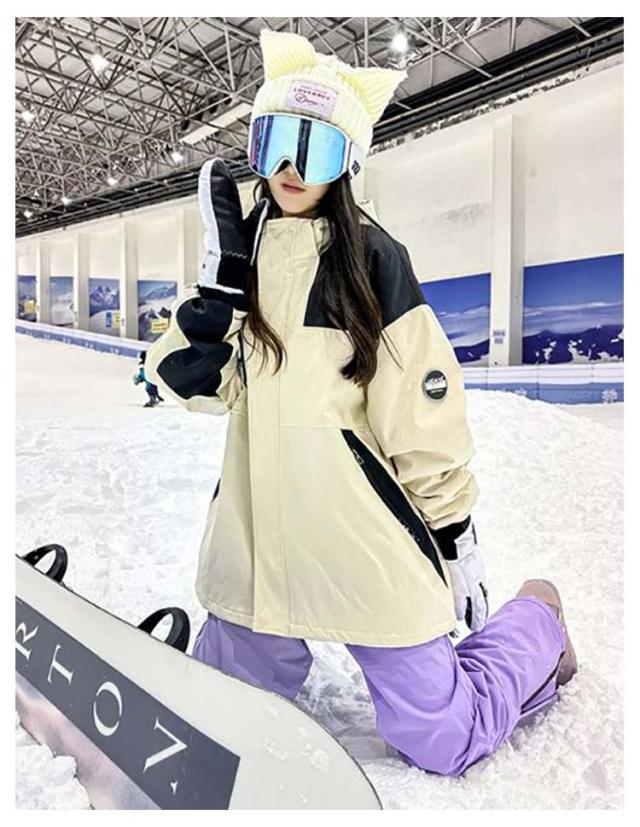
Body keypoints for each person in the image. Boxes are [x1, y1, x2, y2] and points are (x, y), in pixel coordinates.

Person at [145, 29, 577, 777]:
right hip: (260, 548)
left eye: (312, 150)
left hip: (364, 547)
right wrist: (213, 305)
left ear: (347, 162)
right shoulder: (239, 260)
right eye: (274, 142)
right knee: (220, 709)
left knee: (443, 739)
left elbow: (421, 416)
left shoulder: (375, 261)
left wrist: (455, 534)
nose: (288, 169)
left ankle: (538, 620)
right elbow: (190, 386)